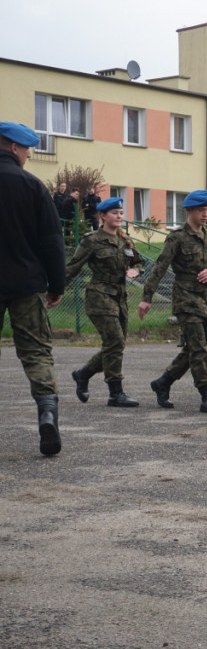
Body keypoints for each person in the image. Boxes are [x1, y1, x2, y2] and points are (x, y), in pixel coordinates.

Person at [0, 121, 65, 456]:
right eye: (26, 150)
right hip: (27, 283)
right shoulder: (32, 186)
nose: (28, 156)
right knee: (37, 353)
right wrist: (57, 285)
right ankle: (47, 414)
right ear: (13, 148)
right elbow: (53, 242)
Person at [141, 190, 207, 412]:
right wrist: (147, 297)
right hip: (185, 298)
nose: (205, 214)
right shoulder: (177, 237)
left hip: (205, 299)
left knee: (193, 348)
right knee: (198, 348)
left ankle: (163, 383)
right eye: (201, 210)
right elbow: (159, 267)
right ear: (189, 210)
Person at [66, 197, 145, 407]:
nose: (119, 216)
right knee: (115, 342)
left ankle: (83, 374)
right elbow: (73, 266)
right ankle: (115, 393)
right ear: (102, 216)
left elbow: (139, 261)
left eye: (121, 213)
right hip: (99, 295)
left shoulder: (125, 240)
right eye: (114, 213)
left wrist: (136, 270)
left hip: (119, 296)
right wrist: (53, 290)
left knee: (115, 344)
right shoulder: (92, 240)